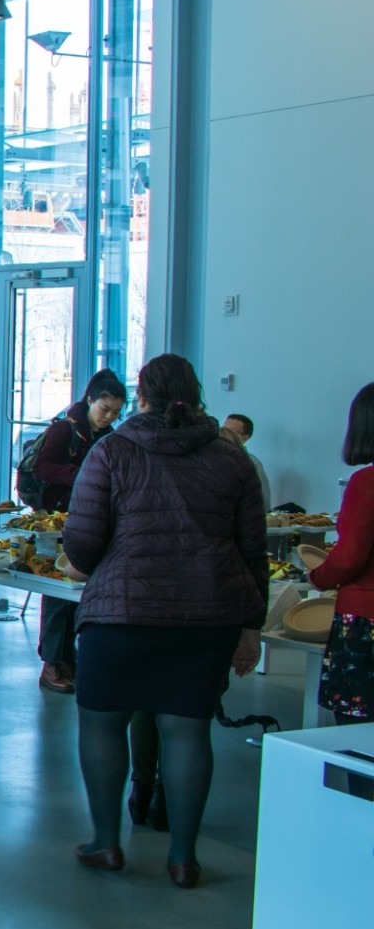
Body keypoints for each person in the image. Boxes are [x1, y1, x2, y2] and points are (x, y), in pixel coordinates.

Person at [61, 354, 266, 889]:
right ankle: (182, 857)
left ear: (142, 397)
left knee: (103, 723)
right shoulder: (232, 458)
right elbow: (253, 551)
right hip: (207, 613)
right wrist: (252, 628)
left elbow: (82, 545)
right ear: (197, 396)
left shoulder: (111, 451)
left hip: (120, 614)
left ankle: (106, 842)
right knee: (187, 732)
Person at [31, 371, 129, 693]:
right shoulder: (64, 429)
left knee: (76, 592)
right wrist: (84, 475)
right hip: (55, 521)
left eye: (116, 412)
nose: (109, 417)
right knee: (58, 592)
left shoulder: (107, 436)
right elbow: (40, 468)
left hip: (88, 519)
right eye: (105, 409)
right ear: (89, 400)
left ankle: (66, 658)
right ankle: (51, 663)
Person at [309, 382, 374, 725]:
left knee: (358, 734)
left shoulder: (367, 482)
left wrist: (318, 576)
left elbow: (350, 557)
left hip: (366, 619)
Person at [221, 413, 271, 507]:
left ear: (245, 438)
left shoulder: (252, 464)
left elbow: (263, 501)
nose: (224, 434)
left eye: (231, 431)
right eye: (223, 428)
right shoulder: (212, 459)